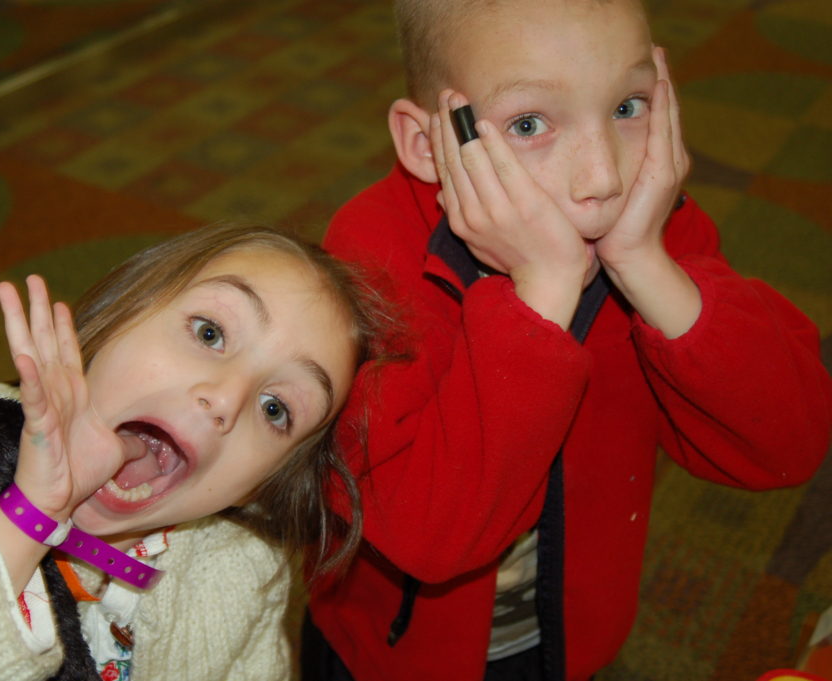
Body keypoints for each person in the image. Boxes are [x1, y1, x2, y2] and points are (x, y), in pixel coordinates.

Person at [301, 0, 832, 680]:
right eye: (529, 123)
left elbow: (787, 444)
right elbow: (434, 533)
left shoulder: (652, 232)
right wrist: (543, 295)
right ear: (428, 143)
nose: (603, 178)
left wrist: (645, 265)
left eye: (628, 107)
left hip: (569, 645)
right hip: (388, 658)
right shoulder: (371, 254)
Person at [0, 224, 390, 681]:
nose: (226, 399)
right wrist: (26, 520)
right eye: (209, 333)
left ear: (264, 482)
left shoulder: (241, 569)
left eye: (275, 409)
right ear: (120, 312)